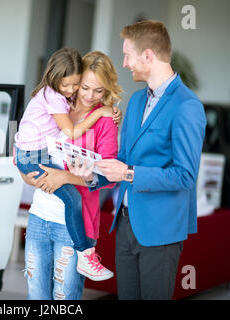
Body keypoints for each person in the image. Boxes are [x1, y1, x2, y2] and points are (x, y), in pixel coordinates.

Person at [69, 20, 207, 300]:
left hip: (161, 231)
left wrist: (129, 172)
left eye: (128, 55)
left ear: (147, 56)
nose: (125, 63)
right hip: (124, 225)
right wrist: (91, 174)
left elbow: (185, 175)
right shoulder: (134, 101)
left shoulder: (187, 106)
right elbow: (122, 161)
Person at [19, 51, 122, 299]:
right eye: (84, 87)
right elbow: (27, 145)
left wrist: (65, 177)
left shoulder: (106, 121)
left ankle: (87, 256)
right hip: (39, 216)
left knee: (64, 297)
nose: (89, 95)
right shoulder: (58, 104)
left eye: (99, 91)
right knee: (37, 295)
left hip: (75, 225)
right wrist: (26, 177)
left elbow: (110, 176)